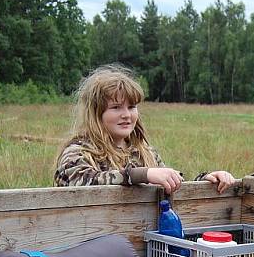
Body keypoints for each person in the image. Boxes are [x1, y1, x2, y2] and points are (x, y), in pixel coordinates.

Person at [54, 64, 235, 194]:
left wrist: (207, 180)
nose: (126, 115)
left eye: (131, 107)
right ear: (96, 113)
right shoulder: (78, 152)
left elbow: (171, 185)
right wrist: (142, 175)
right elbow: (85, 183)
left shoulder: (143, 152)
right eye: (116, 108)